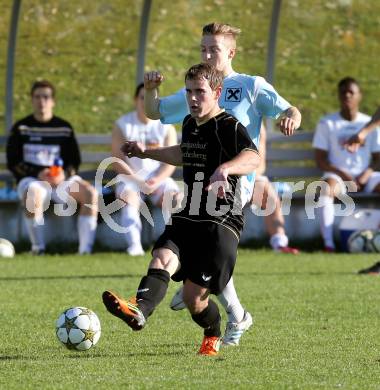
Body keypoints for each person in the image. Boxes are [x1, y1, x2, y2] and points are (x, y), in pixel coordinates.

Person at [144, 22, 302, 345]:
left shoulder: (251, 86)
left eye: (213, 49)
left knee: (211, 240)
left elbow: (290, 108)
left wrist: (291, 117)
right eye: (202, 48)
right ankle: (213, 296)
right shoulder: (197, 87)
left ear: (231, 52)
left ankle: (204, 288)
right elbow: (155, 112)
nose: (206, 54)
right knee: (205, 245)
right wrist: (151, 89)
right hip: (203, 186)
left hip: (235, 183)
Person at [102, 63, 261, 356]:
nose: (193, 98)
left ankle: (213, 331)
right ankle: (139, 310)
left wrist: (225, 169)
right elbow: (182, 153)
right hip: (190, 212)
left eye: (200, 92)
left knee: (193, 299)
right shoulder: (190, 122)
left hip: (221, 220)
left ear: (217, 92)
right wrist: (144, 152)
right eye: (189, 91)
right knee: (162, 257)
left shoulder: (229, 126)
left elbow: (253, 158)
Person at [6, 80, 98, 255]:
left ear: (53, 101)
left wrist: (64, 174)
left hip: (61, 181)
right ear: (31, 100)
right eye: (37, 97)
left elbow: (74, 161)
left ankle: (85, 251)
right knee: (33, 194)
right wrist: (38, 173)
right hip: (33, 181)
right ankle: (38, 249)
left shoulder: (64, 128)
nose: (42, 101)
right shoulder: (21, 128)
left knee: (90, 194)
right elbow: (14, 162)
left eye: (46, 97)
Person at [111, 83, 180, 256]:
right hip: (130, 179)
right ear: (135, 100)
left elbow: (170, 161)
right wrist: (137, 181)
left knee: (175, 199)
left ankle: (173, 245)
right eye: (142, 97)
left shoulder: (165, 125)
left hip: (158, 179)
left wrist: (156, 180)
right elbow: (117, 160)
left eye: (150, 98)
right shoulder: (123, 124)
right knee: (128, 198)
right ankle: (135, 247)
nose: (145, 101)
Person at [313, 77, 380, 252]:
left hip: (366, 176)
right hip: (338, 176)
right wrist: (342, 173)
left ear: (360, 96)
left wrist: (366, 173)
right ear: (338, 96)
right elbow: (320, 160)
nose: (347, 96)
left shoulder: (369, 123)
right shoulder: (327, 123)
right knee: (325, 188)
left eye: (352, 92)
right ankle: (328, 244)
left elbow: (378, 158)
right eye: (343, 92)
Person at [250, 125, 299, 254]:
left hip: (249, 177)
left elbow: (260, 166)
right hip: (220, 175)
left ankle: (279, 244)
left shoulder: (258, 126)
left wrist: (244, 176)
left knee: (271, 199)